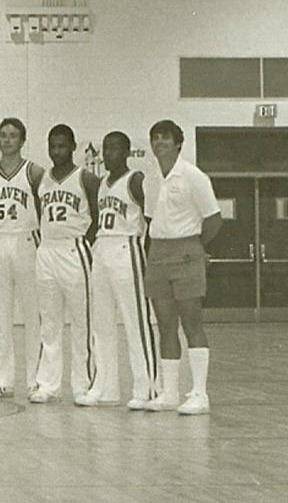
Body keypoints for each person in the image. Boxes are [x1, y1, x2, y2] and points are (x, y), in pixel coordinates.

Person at [142, 120, 222, 415]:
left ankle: (200, 393)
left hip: (187, 250)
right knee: (164, 325)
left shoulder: (193, 176)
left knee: (192, 323)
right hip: (158, 252)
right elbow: (151, 218)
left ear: (178, 143)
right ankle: (170, 392)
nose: (159, 143)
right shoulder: (150, 178)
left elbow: (213, 219)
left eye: (165, 138)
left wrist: (195, 247)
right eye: (155, 138)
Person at [76, 131, 160, 409]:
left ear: (126, 152)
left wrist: (147, 257)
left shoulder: (135, 180)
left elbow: (151, 220)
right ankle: (105, 387)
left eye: (114, 148)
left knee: (135, 321)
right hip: (102, 250)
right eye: (106, 149)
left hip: (127, 248)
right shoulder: (101, 184)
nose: (109, 154)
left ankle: (147, 387)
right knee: (101, 323)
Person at [31, 124, 99, 403]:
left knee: (82, 321)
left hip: (74, 250)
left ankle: (83, 385)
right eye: (52, 146)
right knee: (49, 321)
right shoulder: (41, 180)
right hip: (47, 250)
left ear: (73, 147)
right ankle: (48, 384)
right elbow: (39, 215)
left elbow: (95, 215)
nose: (57, 151)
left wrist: (83, 242)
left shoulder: (86, 178)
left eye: (62, 146)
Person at [0, 117, 45, 399]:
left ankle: (36, 379)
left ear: (22, 140)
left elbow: (44, 211)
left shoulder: (34, 172)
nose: (7, 140)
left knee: (33, 314)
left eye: (13, 135)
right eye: (3, 135)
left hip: (25, 241)